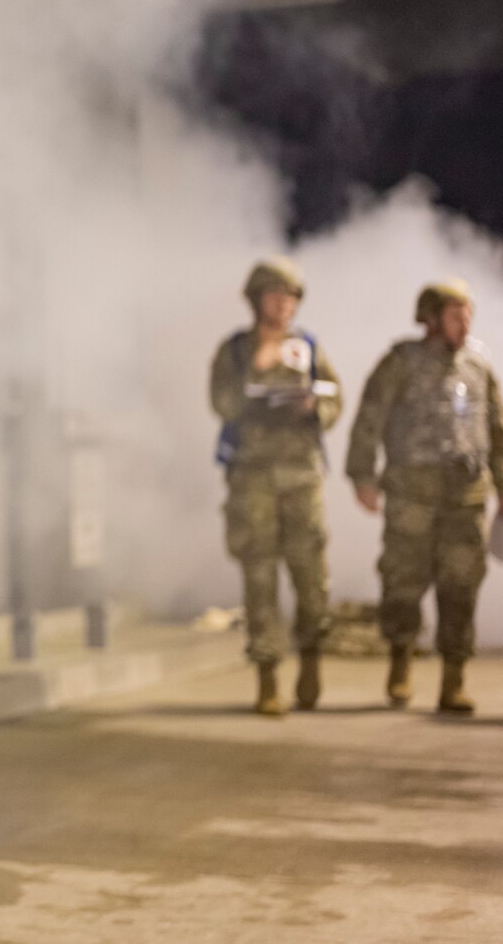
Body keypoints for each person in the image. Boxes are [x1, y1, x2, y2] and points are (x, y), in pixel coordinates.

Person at [346, 279, 503, 714]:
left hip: (466, 499)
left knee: (462, 589)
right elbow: (369, 419)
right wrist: (362, 476)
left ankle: (453, 682)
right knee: (403, 584)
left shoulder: (478, 367)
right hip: (412, 497)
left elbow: (497, 432)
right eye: (456, 316)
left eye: (469, 316)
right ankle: (400, 663)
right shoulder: (400, 362)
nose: (465, 324)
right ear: (432, 318)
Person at [208, 258, 344, 714]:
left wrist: (314, 407)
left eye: (291, 298)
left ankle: (311, 658)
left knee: (311, 577)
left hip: (302, 477)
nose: (284, 305)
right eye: (275, 296)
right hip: (253, 480)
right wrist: (256, 369)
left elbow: (335, 397)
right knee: (260, 577)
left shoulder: (307, 346)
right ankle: (267, 677)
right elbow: (222, 403)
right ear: (256, 300)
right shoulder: (235, 350)